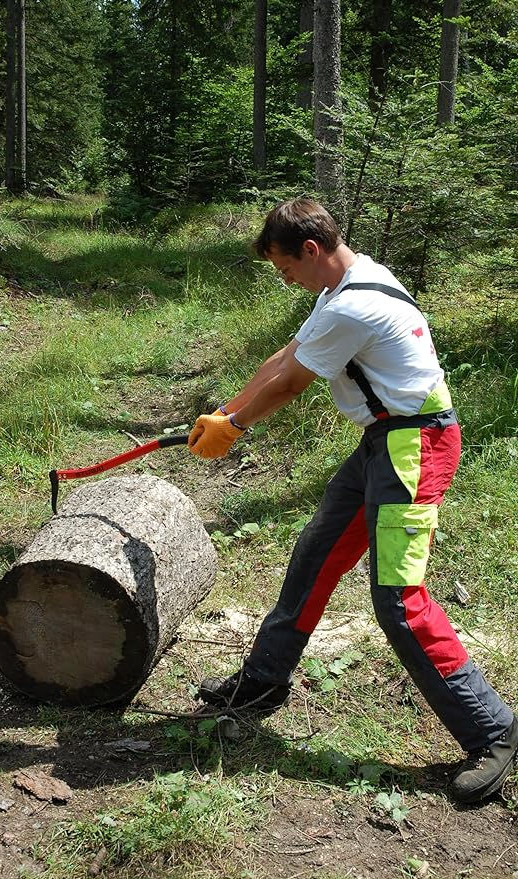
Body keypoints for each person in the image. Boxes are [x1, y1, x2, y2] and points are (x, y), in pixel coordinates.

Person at [187, 198, 517, 804]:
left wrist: (235, 429)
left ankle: (493, 729)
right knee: (316, 554)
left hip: (415, 445)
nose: (286, 278)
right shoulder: (346, 282)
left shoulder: (354, 303)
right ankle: (265, 680)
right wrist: (224, 413)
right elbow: (284, 358)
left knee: (399, 601)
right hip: (383, 441)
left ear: (311, 250)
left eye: (286, 267)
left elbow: (292, 383)